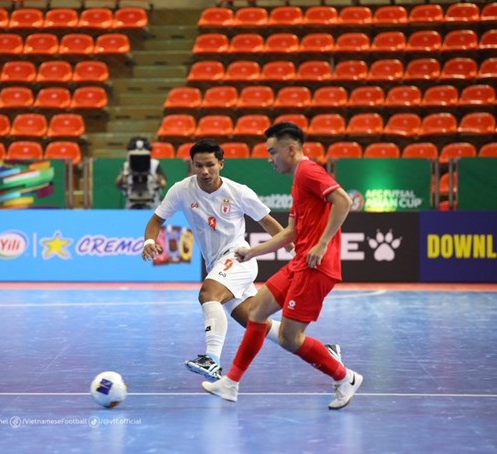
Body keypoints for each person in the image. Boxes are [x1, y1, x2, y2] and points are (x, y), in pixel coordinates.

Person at [201, 122, 362, 410]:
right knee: (257, 311)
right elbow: (290, 233)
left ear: (291, 149)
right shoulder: (298, 181)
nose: (269, 158)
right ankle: (230, 383)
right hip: (300, 262)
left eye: (273, 151)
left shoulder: (310, 172)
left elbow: (344, 201)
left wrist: (323, 243)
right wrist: (253, 252)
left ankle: (344, 376)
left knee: (289, 338)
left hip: (316, 267)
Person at [141, 139, 288, 381]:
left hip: (239, 256)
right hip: (215, 263)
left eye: (210, 165)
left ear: (221, 163)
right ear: (192, 166)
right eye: (198, 166)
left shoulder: (238, 192)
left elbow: (268, 223)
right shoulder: (181, 190)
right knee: (252, 319)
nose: (205, 171)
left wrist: (294, 249)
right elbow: (156, 220)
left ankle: (212, 359)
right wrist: (149, 242)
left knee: (208, 294)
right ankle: (322, 350)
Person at [116, 137, 167, 209]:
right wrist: (124, 176)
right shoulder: (127, 165)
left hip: (152, 203)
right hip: (132, 202)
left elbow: (163, 184)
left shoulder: (155, 164)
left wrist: (157, 178)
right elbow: (118, 184)